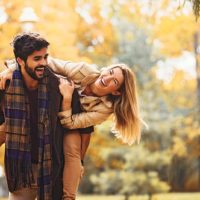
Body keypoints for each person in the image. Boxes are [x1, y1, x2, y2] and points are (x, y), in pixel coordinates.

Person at [1, 56, 145, 200]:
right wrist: (13, 69)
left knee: (73, 149)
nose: (107, 78)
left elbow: (70, 123)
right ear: (105, 69)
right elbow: (48, 62)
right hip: (49, 104)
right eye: (111, 72)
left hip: (70, 123)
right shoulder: (83, 70)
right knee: (9, 125)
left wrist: (68, 98)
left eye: (114, 81)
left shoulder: (105, 109)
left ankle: (68, 197)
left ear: (116, 92)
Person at [0, 32, 93, 200]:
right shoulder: (5, 87)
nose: (43, 63)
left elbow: (85, 129)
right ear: (20, 61)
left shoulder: (61, 87)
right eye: (37, 59)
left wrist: (79, 162)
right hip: (21, 171)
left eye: (45, 57)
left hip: (53, 169)